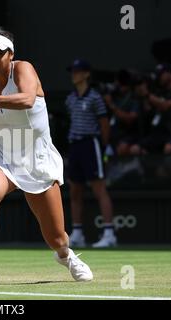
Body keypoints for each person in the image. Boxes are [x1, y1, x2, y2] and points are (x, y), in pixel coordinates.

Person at [0, 28, 93, 286]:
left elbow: (26, 99)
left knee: (56, 237)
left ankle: (66, 256)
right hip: (3, 154)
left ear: (10, 54)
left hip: (38, 159)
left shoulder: (23, 69)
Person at [65, 59, 117, 248]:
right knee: (75, 190)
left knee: (98, 188)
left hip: (91, 144)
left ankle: (109, 233)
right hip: (75, 146)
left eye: (77, 71)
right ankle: (77, 233)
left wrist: (102, 147)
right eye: (72, 71)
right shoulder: (70, 99)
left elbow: (104, 124)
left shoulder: (95, 97)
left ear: (87, 74)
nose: (74, 75)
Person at [131, 64, 171, 155]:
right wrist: (142, 95)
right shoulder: (160, 92)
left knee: (169, 148)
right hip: (162, 132)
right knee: (135, 149)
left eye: (161, 74)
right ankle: (153, 168)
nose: (159, 77)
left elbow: (165, 106)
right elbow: (148, 109)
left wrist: (147, 94)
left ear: (170, 74)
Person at [103, 69, 140, 156]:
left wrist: (111, 105)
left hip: (127, 136)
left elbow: (130, 119)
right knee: (104, 155)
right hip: (112, 137)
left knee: (122, 149)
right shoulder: (114, 96)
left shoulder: (133, 98)